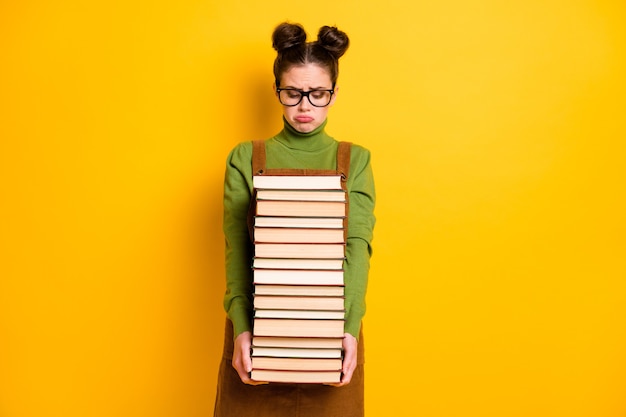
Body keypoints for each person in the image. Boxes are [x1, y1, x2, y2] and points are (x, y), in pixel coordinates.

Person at [214, 21, 375, 417]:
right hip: (257, 332)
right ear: (277, 91)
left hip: (334, 332)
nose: (305, 106)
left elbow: (357, 248)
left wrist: (350, 328)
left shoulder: (355, 160)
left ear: (334, 94)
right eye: (293, 93)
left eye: (318, 94)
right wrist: (241, 327)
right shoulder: (245, 158)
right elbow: (238, 250)